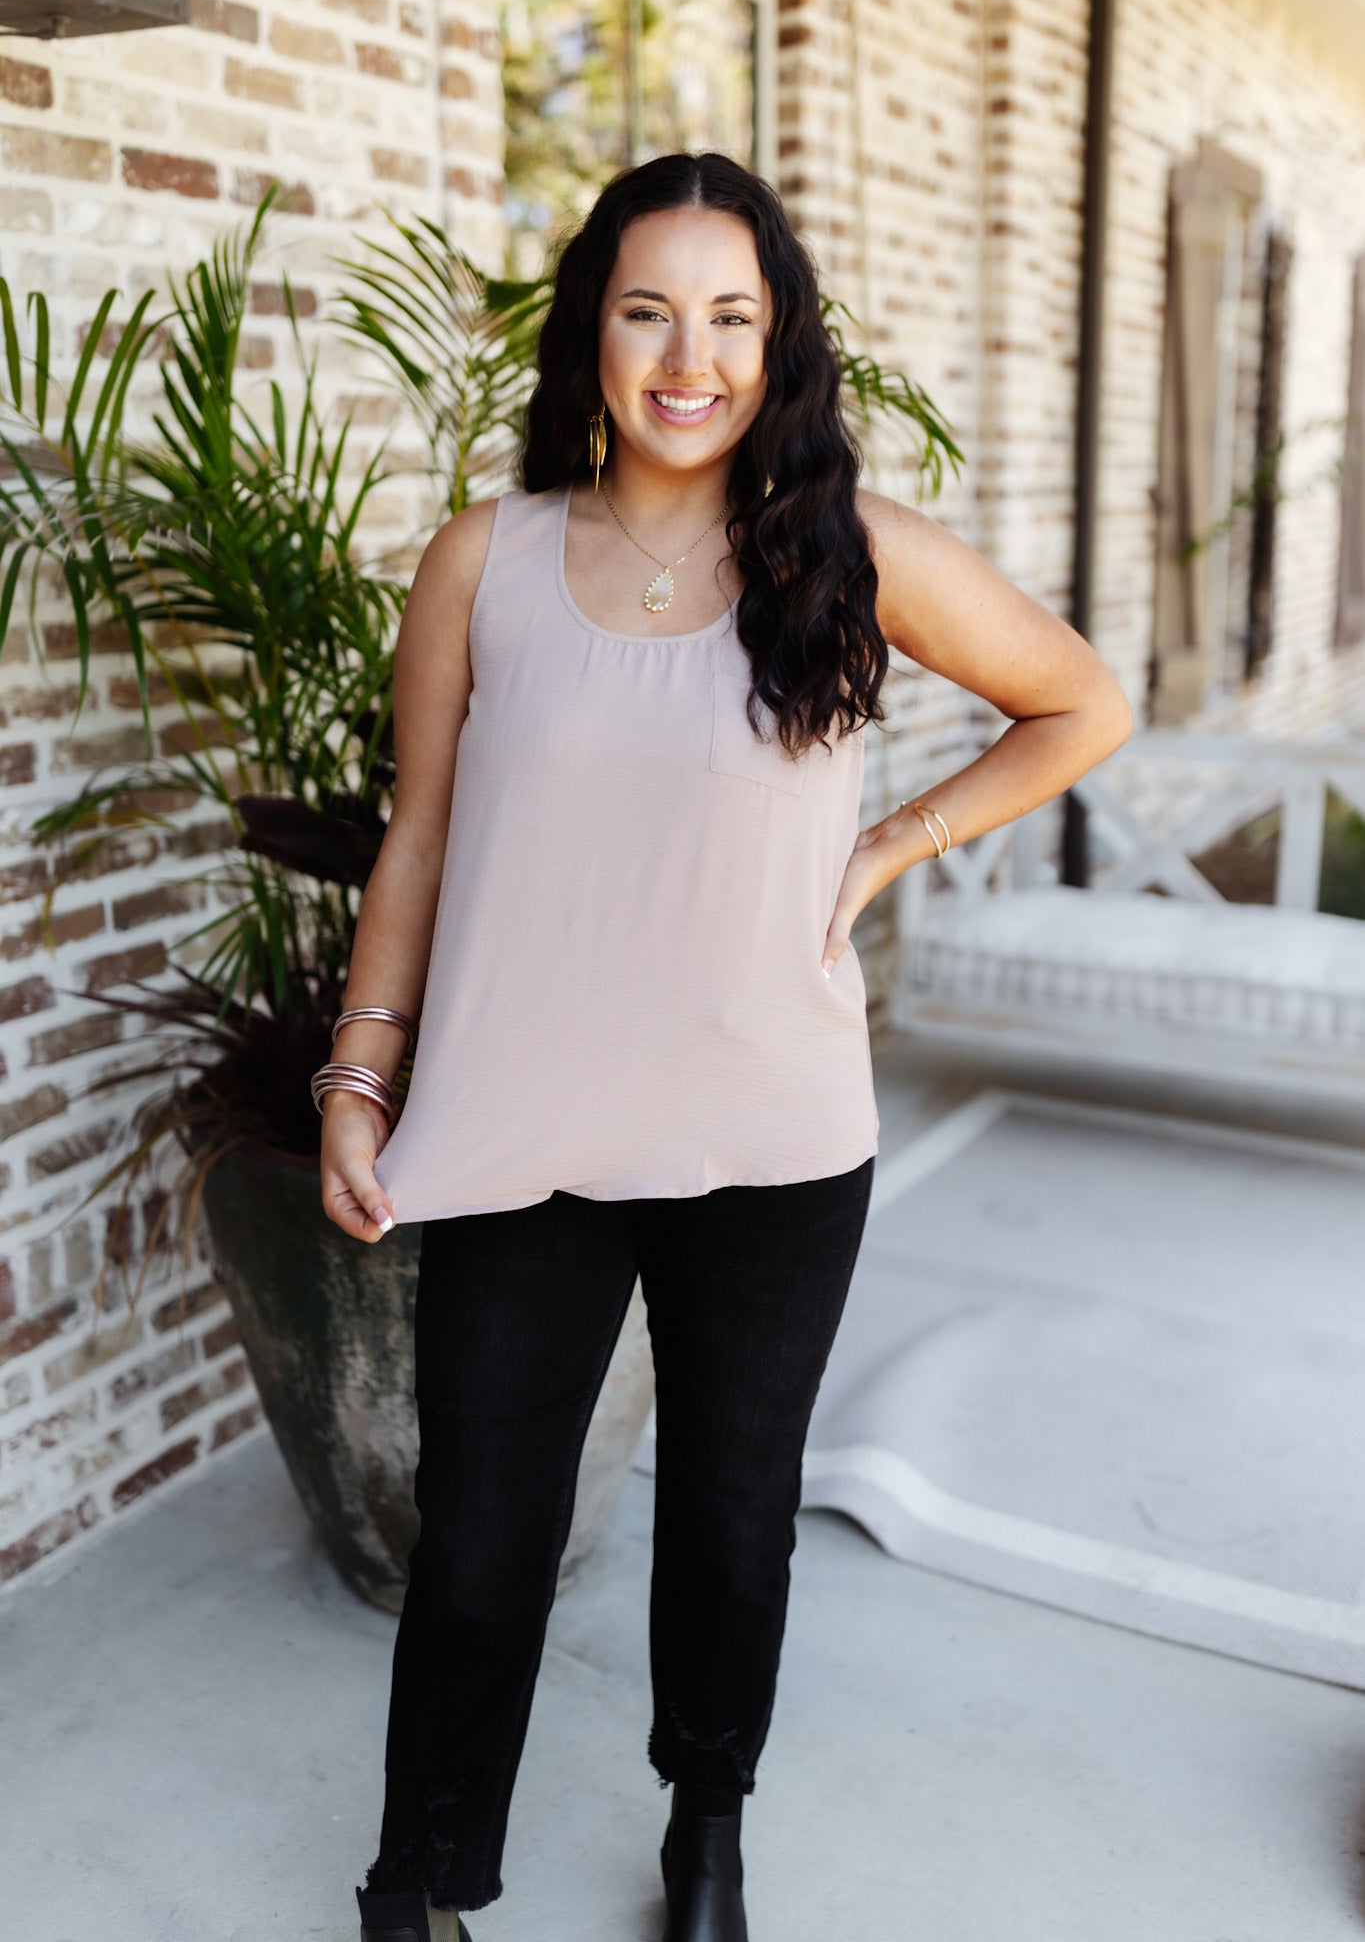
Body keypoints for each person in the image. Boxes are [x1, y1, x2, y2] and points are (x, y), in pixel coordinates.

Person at [314, 151, 1132, 1942]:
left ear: (780, 344)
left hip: (773, 1134)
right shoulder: (488, 558)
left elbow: (1081, 699)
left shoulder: (846, 554)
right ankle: (421, 1878)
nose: (688, 356)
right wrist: (361, 1078)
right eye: (647, 310)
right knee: (475, 1537)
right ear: (590, 332)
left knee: (731, 1514)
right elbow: (423, 837)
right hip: (520, 1126)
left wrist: (883, 848)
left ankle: (705, 1833)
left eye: (732, 316)